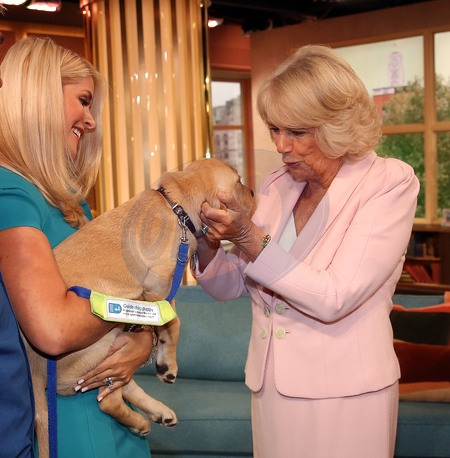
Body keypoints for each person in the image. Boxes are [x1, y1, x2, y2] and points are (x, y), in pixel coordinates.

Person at [193, 44, 420, 458]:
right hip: (271, 390)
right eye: (274, 129)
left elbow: (335, 296)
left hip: (346, 396)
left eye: (296, 133)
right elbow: (235, 285)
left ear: (337, 125)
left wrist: (248, 238)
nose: (281, 146)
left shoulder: (387, 183)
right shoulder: (279, 185)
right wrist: (206, 244)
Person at [0, 36, 152, 458]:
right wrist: (143, 312)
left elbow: (109, 304)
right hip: (70, 421)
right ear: (40, 98)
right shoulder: (9, 192)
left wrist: (144, 338)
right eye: (83, 101)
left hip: (110, 409)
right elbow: (54, 329)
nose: (90, 121)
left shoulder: (68, 201)